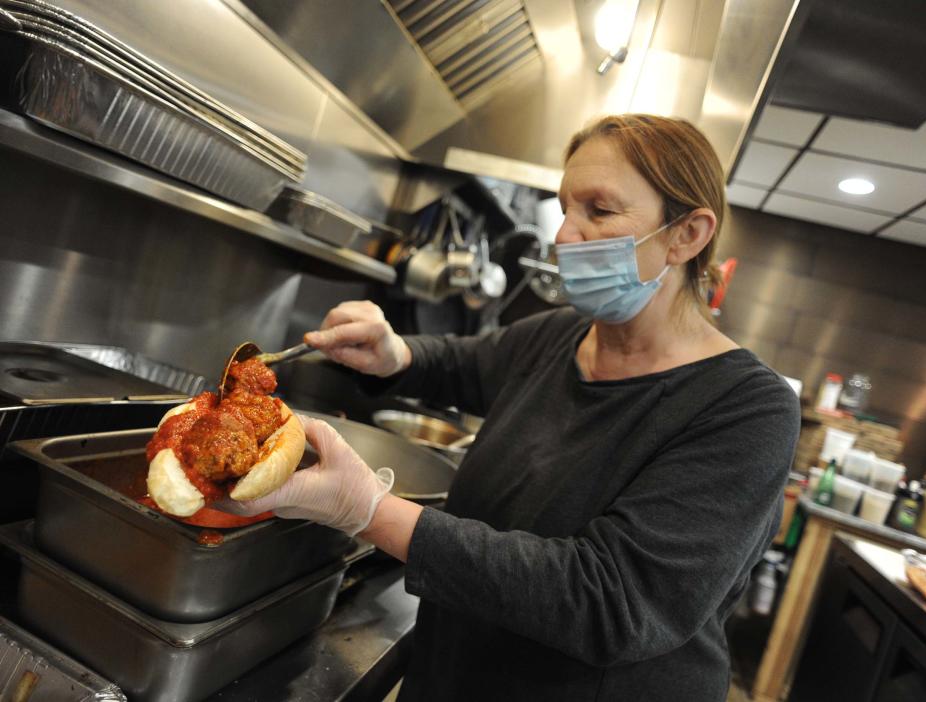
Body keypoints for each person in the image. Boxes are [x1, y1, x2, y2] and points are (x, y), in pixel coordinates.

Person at [223, 114, 801, 701]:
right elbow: (464, 362)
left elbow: (613, 600)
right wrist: (396, 353)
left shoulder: (746, 409)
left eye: (598, 211)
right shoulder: (560, 337)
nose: (564, 236)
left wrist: (369, 509)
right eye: (566, 208)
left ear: (687, 234)